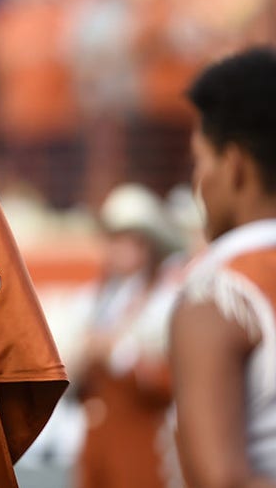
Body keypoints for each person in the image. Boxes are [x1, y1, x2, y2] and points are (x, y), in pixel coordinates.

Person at [168, 47, 276, 488]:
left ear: (234, 167)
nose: (197, 180)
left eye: (200, 160)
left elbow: (223, 483)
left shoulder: (218, 297)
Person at [74, 183, 184, 488]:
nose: (115, 248)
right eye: (113, 237)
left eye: (126, 238)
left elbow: (168, 379)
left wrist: (117, 352)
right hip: (99, 452)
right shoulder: (99, 298)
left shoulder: (168, 301)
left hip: (143, 450)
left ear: (148, 245)